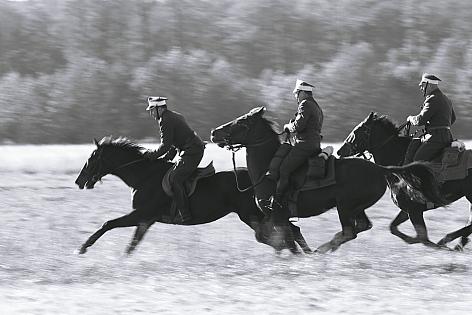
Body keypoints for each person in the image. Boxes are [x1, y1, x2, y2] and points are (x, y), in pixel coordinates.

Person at [144, 96, 205, 223]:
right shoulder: (173, 116)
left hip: (191, 152)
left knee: (175, 178)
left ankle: (184, 213)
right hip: (191, 150)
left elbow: (165, 145)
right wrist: (167, 158)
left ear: (159, 109)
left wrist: (149, 156)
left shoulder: (165, 120)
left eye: (151, 110)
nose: (150, 113)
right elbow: (173, 142)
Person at [269, 79, 325, 211]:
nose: (296, 97)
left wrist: (288, 126)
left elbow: (298, 126)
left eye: (296, 94)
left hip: (304, 145)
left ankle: (277, 201)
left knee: (284, 169)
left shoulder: (305, 104)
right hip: (314, 144)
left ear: (303, 93)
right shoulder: (317, 106)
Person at [404, 73, 456, 163]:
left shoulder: (432, 99)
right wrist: (439, 125)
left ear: (430, 85)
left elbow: (420, 120)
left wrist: (410, 118)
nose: (421, 88)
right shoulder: (446, 99)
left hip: (436, 138)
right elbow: (453, 118)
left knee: (417, 161)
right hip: (446, 136)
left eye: (423, 85)